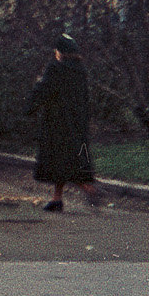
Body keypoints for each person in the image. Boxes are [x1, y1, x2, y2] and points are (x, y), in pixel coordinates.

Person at [28, 33, 100, 212]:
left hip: (56, 122)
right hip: (76, 122)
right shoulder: (80, 71)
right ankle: (57, 199)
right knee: (68, 159)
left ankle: (88, 189)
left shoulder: (55, 69)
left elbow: (44, 90)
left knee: (60, 161)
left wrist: (30, 106)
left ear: (60, 52)